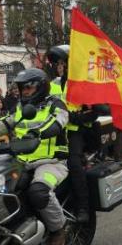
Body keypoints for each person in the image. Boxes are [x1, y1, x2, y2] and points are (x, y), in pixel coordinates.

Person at [0, 68, 69, 245]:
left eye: (28, 88)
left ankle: (58, 229)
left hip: (51, 161)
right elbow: (4, 124)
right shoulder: (20, 108)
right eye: (22, 88)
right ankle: (10, 230)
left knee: (38, 192)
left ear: (40, 87)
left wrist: (38, 132)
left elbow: (57, 123)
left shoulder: (56, 104)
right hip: (21, 160)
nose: (23, 92)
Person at [47, 45, 101, 223]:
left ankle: (83, 207)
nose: (58, 66)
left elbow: (94, 112)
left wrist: (73, 117)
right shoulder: (53, 84)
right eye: (57, 63)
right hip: (53, 132)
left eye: (61, 62)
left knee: (73, 164)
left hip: (75, 133)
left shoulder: (83, 84)